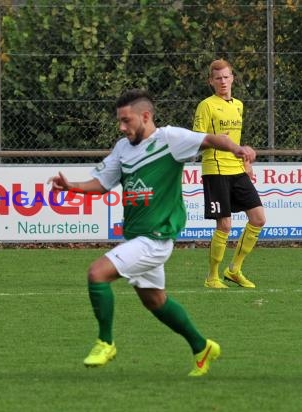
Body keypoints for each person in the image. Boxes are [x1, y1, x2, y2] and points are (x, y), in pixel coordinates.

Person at [48, 89, 256, 376]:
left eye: (126, 120)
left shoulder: (169, 139)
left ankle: (105, 342)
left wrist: (237, 149)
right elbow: (102, 183)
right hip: (137, 237)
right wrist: (71, 186)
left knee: (97, 273)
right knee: (154, 301)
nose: (122, 127)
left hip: (157, 237)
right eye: (119, 121)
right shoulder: (122, 148)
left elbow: (210, 140)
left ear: (145, 116)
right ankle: (202, 346)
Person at [193, 59, 266, 289]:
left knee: (258, 218)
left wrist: (245, 161)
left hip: (237, 169)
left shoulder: (238, 105)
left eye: (226, 77)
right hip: (215, 170)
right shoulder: (206, 105)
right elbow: (196, 141)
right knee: (224, 225)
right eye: (218, 78)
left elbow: (235, 141)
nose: (223, 81)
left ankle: (234, 270)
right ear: (211, 81)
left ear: (232, 78)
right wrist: (216, 141)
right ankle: (212, 277)